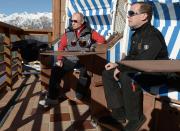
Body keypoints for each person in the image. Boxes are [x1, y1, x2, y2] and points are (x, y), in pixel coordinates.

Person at [102, 2, 169, 131]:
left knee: (127, 75)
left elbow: (143, 62)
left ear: (144, 16)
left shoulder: (153, 35)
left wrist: (121, 68)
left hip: (157, 73)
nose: (128, 16)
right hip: (143, 69)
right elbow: (132, 56)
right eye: (128, 13)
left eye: (132, 13)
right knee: (107, 73)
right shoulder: (136, 34)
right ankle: (118, 113)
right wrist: (117, 64)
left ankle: (136, 118)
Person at [39, 12, 105, 107]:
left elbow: (102, 40)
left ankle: (79, 97)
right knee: (56, 70)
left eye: (75, 21)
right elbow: (61, 45)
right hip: (70, 59)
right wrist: (60, 59)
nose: (72, 23)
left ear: (82, 22)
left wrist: (92, 46)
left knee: (85, 72)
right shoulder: (68, 32)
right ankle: (52, 98)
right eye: (71, 21)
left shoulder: (90, 32)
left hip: (83, 59)